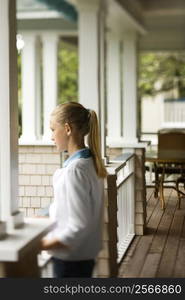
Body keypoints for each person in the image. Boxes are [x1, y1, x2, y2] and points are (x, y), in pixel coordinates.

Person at [41, 101, 107, 278]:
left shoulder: (75, 171)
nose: (52, 137)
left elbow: (79, 224)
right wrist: (46, 213)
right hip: (83, 257)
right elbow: (72, 206)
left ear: (68, 129)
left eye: (53, 130)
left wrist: (43, 244)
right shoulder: (89, 163)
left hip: (71, 261)